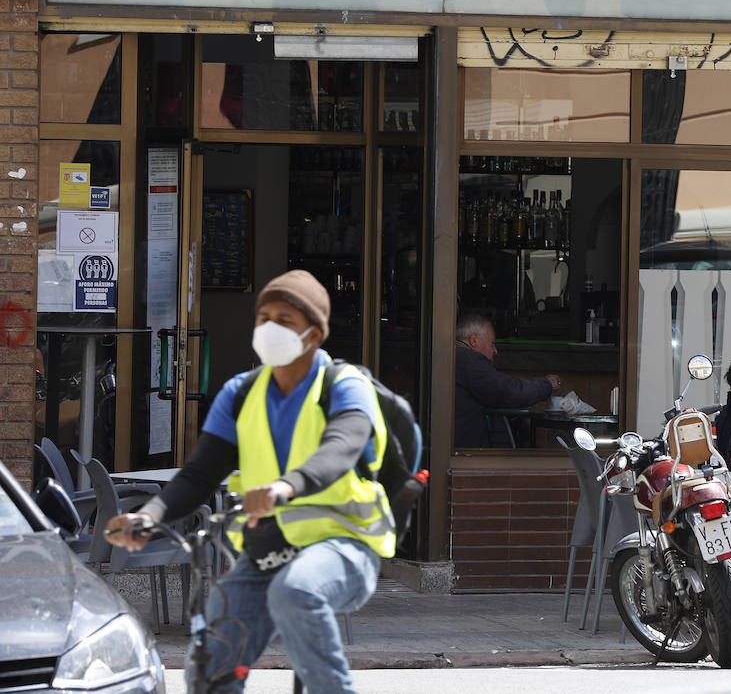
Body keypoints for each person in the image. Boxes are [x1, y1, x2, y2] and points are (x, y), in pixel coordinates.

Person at [105, 270, 390, 694]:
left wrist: (285, 487)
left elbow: (341, 447)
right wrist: (148, 516)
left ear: (314, 333)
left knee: (297, 592)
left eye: (285, 320)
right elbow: (201, 473)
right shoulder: (240, 394)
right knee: (213, 652)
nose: (270, 327)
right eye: (264, 317)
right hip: (266, 552)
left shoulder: (345, 385)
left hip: (344, 545)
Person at [453, 313, 561, 447]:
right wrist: (547, 384)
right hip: (467, 453)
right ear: (474, 340)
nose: (495, 351)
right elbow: (510, 391)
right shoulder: (468, 360)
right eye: (492, 344)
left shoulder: (455, 356)